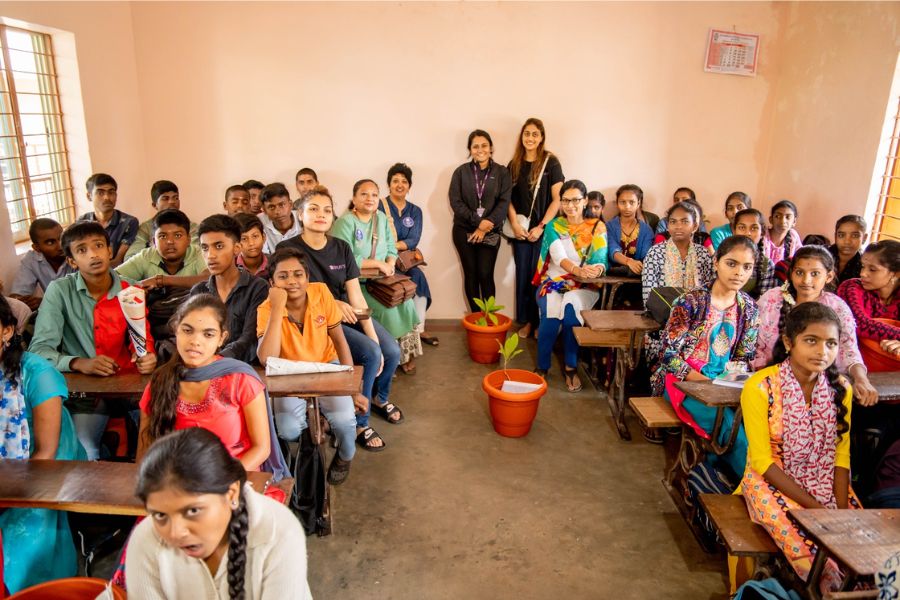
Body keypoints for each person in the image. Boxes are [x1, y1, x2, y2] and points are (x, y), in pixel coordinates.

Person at [741, 302, 858, 588]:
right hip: (770, 482)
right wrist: (818, 509)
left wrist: (840, 512)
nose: (822, 352)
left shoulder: (841, 388)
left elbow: (841, 458)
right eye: (811, 341)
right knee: (817, 559)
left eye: (831, 343)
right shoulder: (760, 386)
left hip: (825, 481)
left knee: (859, 548)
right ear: (788, 342)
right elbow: (762, 462)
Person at [277, 186, 400, 452]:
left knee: (389, 350)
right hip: (313, 320)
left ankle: (377, 398)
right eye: (313, 209)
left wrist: (371, 332)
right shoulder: (287, 249)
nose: (321, 215)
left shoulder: (341, 248)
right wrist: (332, 303)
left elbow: (356, 295)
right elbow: (287, 292)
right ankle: (359, 422)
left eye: (327, 210)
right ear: (300, 214)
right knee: (369, 353)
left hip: (345, 313)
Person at [127, 428, 311, 599]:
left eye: (193, 511)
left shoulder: (279, 532)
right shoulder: (145, 541)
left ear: (231, 494)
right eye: (160, 515)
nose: (175, 533)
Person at [28, 221, 157, 460]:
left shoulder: (130, 291)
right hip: (85, 395)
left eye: (98, 246)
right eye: (82, 250)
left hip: (131, 387)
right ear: (72, 261)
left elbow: (142, 341)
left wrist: (147, 357)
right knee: (85, 451)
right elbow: (39, 351)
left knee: (155, 445)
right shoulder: (59, 292)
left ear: (110, 251)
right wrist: (78, 362)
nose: (93, 254)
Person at [652, 236, 760, 478]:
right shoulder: (690, 302)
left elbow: (744, 357)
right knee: (730, 430)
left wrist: (730, 384)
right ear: (716, 263)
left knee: (755, 427)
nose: (739, 273)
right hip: (684, 383)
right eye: (731, 264)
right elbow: (668, 355)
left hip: (725, 385)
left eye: (747, 267)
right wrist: (702, 382)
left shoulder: (750, 309)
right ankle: (753, 485)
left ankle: (716, 474)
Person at [257, 247, 366, 485]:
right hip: (289, 373)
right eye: (282, 276)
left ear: (307, 277)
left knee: (345, 421)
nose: (292, 282)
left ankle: (345, 456)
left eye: (298, 274)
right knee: (287, 430)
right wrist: (277, 308)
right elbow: (267, 359)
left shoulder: (321, 293)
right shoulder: (266, 309)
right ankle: (315, 420)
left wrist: (352, 389)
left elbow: (339, 341)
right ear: (272, 282)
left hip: (327, 364)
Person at [0, 297, 86, 593]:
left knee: (24, 538)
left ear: (7, 331)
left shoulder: (37, 374)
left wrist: (8, 497)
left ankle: (44, 586)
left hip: (46, 463)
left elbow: (46, 452)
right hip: (6, 466)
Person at [136, 294, 273, 474]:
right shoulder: (159, 382)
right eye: (187, 330)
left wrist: (219, 482)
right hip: (178, 484)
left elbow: (261, 449)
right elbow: (145, 452)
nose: (195, 341)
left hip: (234, 480)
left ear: (221, 338)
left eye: (208, 334)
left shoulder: (240, 379)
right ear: (176, 330)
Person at [752, 246, 878, 406]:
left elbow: (848, 349)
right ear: (791, 273)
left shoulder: (837, 307)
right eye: (799, 272)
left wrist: (861, 379)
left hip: (820, 385)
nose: (806, 280)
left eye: (815, 274)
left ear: (829, 276)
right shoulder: (771, 299)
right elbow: (753, 344)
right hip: (770, 381)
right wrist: (772, 379)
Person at [332, 179, 422, 375]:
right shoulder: (345, 223)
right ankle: (385, 357)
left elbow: (391, 246)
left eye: (374, 194)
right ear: (354, 199)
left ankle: (402, 357)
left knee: (405, 302)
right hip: (357, 285)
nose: (370, 198)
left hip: (382, 281)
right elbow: (342, 260)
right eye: (364, 194)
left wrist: (389, 264)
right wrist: (376, 264)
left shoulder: (380, 218)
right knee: (387, 309)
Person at [532, 180, 607, 392]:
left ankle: (570, 367)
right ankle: (542, 366)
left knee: (570, 315)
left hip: (585, 285)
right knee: (550, 316)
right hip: (554, 282)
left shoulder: (597, 226)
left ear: (584, 201)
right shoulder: (554, 226)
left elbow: (601, 257)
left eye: (575, 200)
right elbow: (559, 257)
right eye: (565, 200)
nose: (570, 205)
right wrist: (577, 271)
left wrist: (596, 271)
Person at [506, 118, 564, 339]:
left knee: (540, 276)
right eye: (526, 133)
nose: (530, 138)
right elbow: (507, 199)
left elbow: (557, 199)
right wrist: (513, 223)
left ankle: (540, 322)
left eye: (534, 134)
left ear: (541, 138)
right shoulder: (514, 164)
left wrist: (541, 226)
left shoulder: (552, 163)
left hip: (543, 231)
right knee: (523, 276)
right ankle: (526, 322)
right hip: (520, 231)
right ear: (522, 136)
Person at [190, 215, 269, 364]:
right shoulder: (199, 292)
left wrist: (217, 360)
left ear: (236, 248)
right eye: (205, 248)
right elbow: (194, 337)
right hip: (205, 368)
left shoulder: (258, 287)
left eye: (218, 246)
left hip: (246, 371)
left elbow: (248, 339)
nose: (210, 255)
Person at [449, 129, 512, 312]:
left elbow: (504, 202)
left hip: (491, 231)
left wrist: (486, 226)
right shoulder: (460, 172)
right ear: (470, 149)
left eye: (484, 145)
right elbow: (456, 201)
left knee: (485, 274)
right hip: (464, 230)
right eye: (475, 146)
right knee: (471, 274)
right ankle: (476, 317)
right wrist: (478, 222)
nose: (480, 149)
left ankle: (489, 316)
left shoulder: (502, 173)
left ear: (491, 148)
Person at [379, 162, 437, 346]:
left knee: (418, 278)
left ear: (409, 186)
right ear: (389, 184)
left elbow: (414, 239)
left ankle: (419, 329)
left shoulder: (415, 211)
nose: (399, 184)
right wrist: (391, 250)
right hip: (383, 261)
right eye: (395, 180)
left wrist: (393, 245)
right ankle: (395, 333)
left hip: (405, 263)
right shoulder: (379, 207)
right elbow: (377, 237)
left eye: (404, 181)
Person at [641, 201, 714, 305]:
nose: (678, 226)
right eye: (673, 221)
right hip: (663, 314)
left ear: (695, 226)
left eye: (684, 221)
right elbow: (648, 293)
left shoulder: (702, 253)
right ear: (668, 226)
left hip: (697, 314)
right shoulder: (655, 252)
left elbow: (708, 288)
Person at [116, 209, 209, 290]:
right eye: (163, 236)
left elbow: (209, 279)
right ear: (154, 242)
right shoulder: (146, 256)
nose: (170, 241)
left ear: (189, 239)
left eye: (177, 235)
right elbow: (112, 278)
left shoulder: (198, 253)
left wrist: (161, 280)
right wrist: (138, 287)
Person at [837, 239, 900, 356]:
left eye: (872, 269)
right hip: (849, 359)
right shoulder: (851, 287)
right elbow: (860, 324)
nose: (862, 273)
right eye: (863, 266)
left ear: (896, 274)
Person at [76, 173, 139, 268]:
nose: (107, 197)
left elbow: (118, 260)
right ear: (89, 196)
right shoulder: (81, 223)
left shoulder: (129, 222)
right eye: (100, 193)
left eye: (111, 192)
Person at [125, 180, 199, 261]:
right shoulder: (146, 228)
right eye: (165, 198)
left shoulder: (192, 227)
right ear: (154, 205)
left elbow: (196, 255)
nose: (172, 202)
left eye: (176, 198)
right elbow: (130, 257)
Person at [10, 218, 74, 309]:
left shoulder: (76, 253)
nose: (60, 246)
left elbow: (87, 295)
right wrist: (21, 301)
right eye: (50, 242)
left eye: (61, 238)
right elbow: (16, 296)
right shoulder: (31, 260)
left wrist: (46, 302)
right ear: (37, 248)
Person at [606, 184, 654, 277]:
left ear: (638, 204)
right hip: (612, 277)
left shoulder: (646, 230)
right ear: (617, 203)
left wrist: (637, 266)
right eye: (622, 202)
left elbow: (647, 256)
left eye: (632, 202)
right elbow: (613, 251)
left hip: (637, 277)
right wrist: (629, 261)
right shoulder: (609, 226)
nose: (627, 206)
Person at [733, 208, 778, 299]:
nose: (747, 233)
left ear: (762, 233)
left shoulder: (767, 265)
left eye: (754, 228)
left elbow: (765, 302)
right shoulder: (720, 256)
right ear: (734, 231)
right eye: (742, 227)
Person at [259, 183, 302, 253]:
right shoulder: (259, 222)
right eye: (271, 207)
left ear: (290, 205)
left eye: (282, 205)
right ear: (264, 210)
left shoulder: (304, 219)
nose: (277, 211)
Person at [830, 215, 868, 285]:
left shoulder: (865, 266)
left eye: (855, 236)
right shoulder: (820, 257)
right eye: (841, 235)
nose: (847, 241)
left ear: (864, 238)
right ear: (835, 237)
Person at [763, 200, 802, 264]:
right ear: (771, 219)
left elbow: (801, 256)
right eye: (777, 216)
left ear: (794, 222)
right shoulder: (762, 235)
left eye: (788, 217)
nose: (783, 221)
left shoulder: (793, 236)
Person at [233, 213, 271, 279]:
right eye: (244, 239)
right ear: (235, 243)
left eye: (255, 236)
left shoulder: (276, 263)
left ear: (263, 237)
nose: (251, 243)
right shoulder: (230, 267)